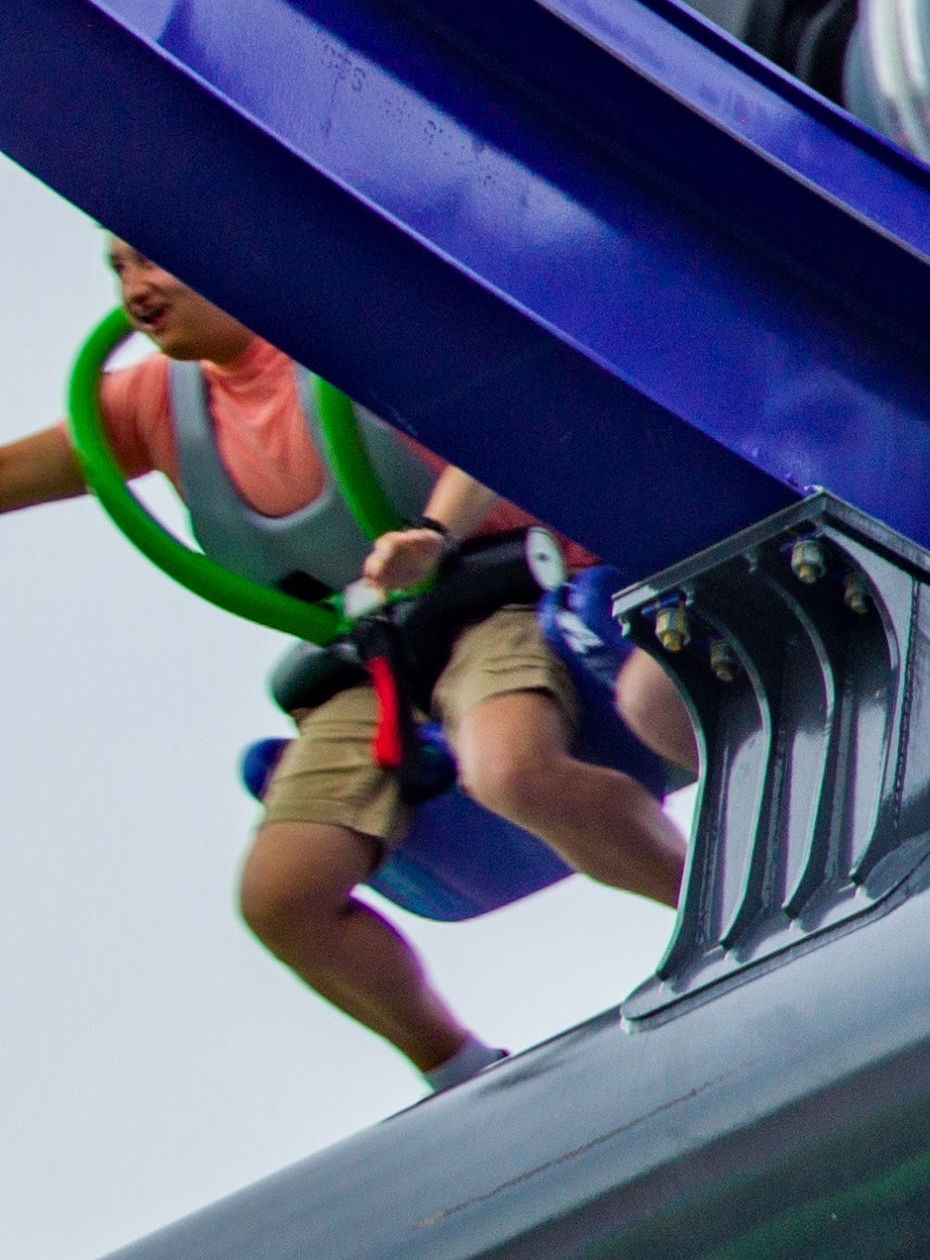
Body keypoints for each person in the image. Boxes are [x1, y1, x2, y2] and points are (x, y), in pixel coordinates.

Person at [0, 241, 665, 1086]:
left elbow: (495, 415)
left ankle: (717, 907)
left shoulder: (344, 323)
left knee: (510, 768)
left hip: (491, 601)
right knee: (282, 893)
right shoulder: (151, 404)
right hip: (376, 658)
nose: (136, 288)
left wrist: (436, 534)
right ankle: (457, 1068)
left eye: (153, 258)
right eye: (118, 269)